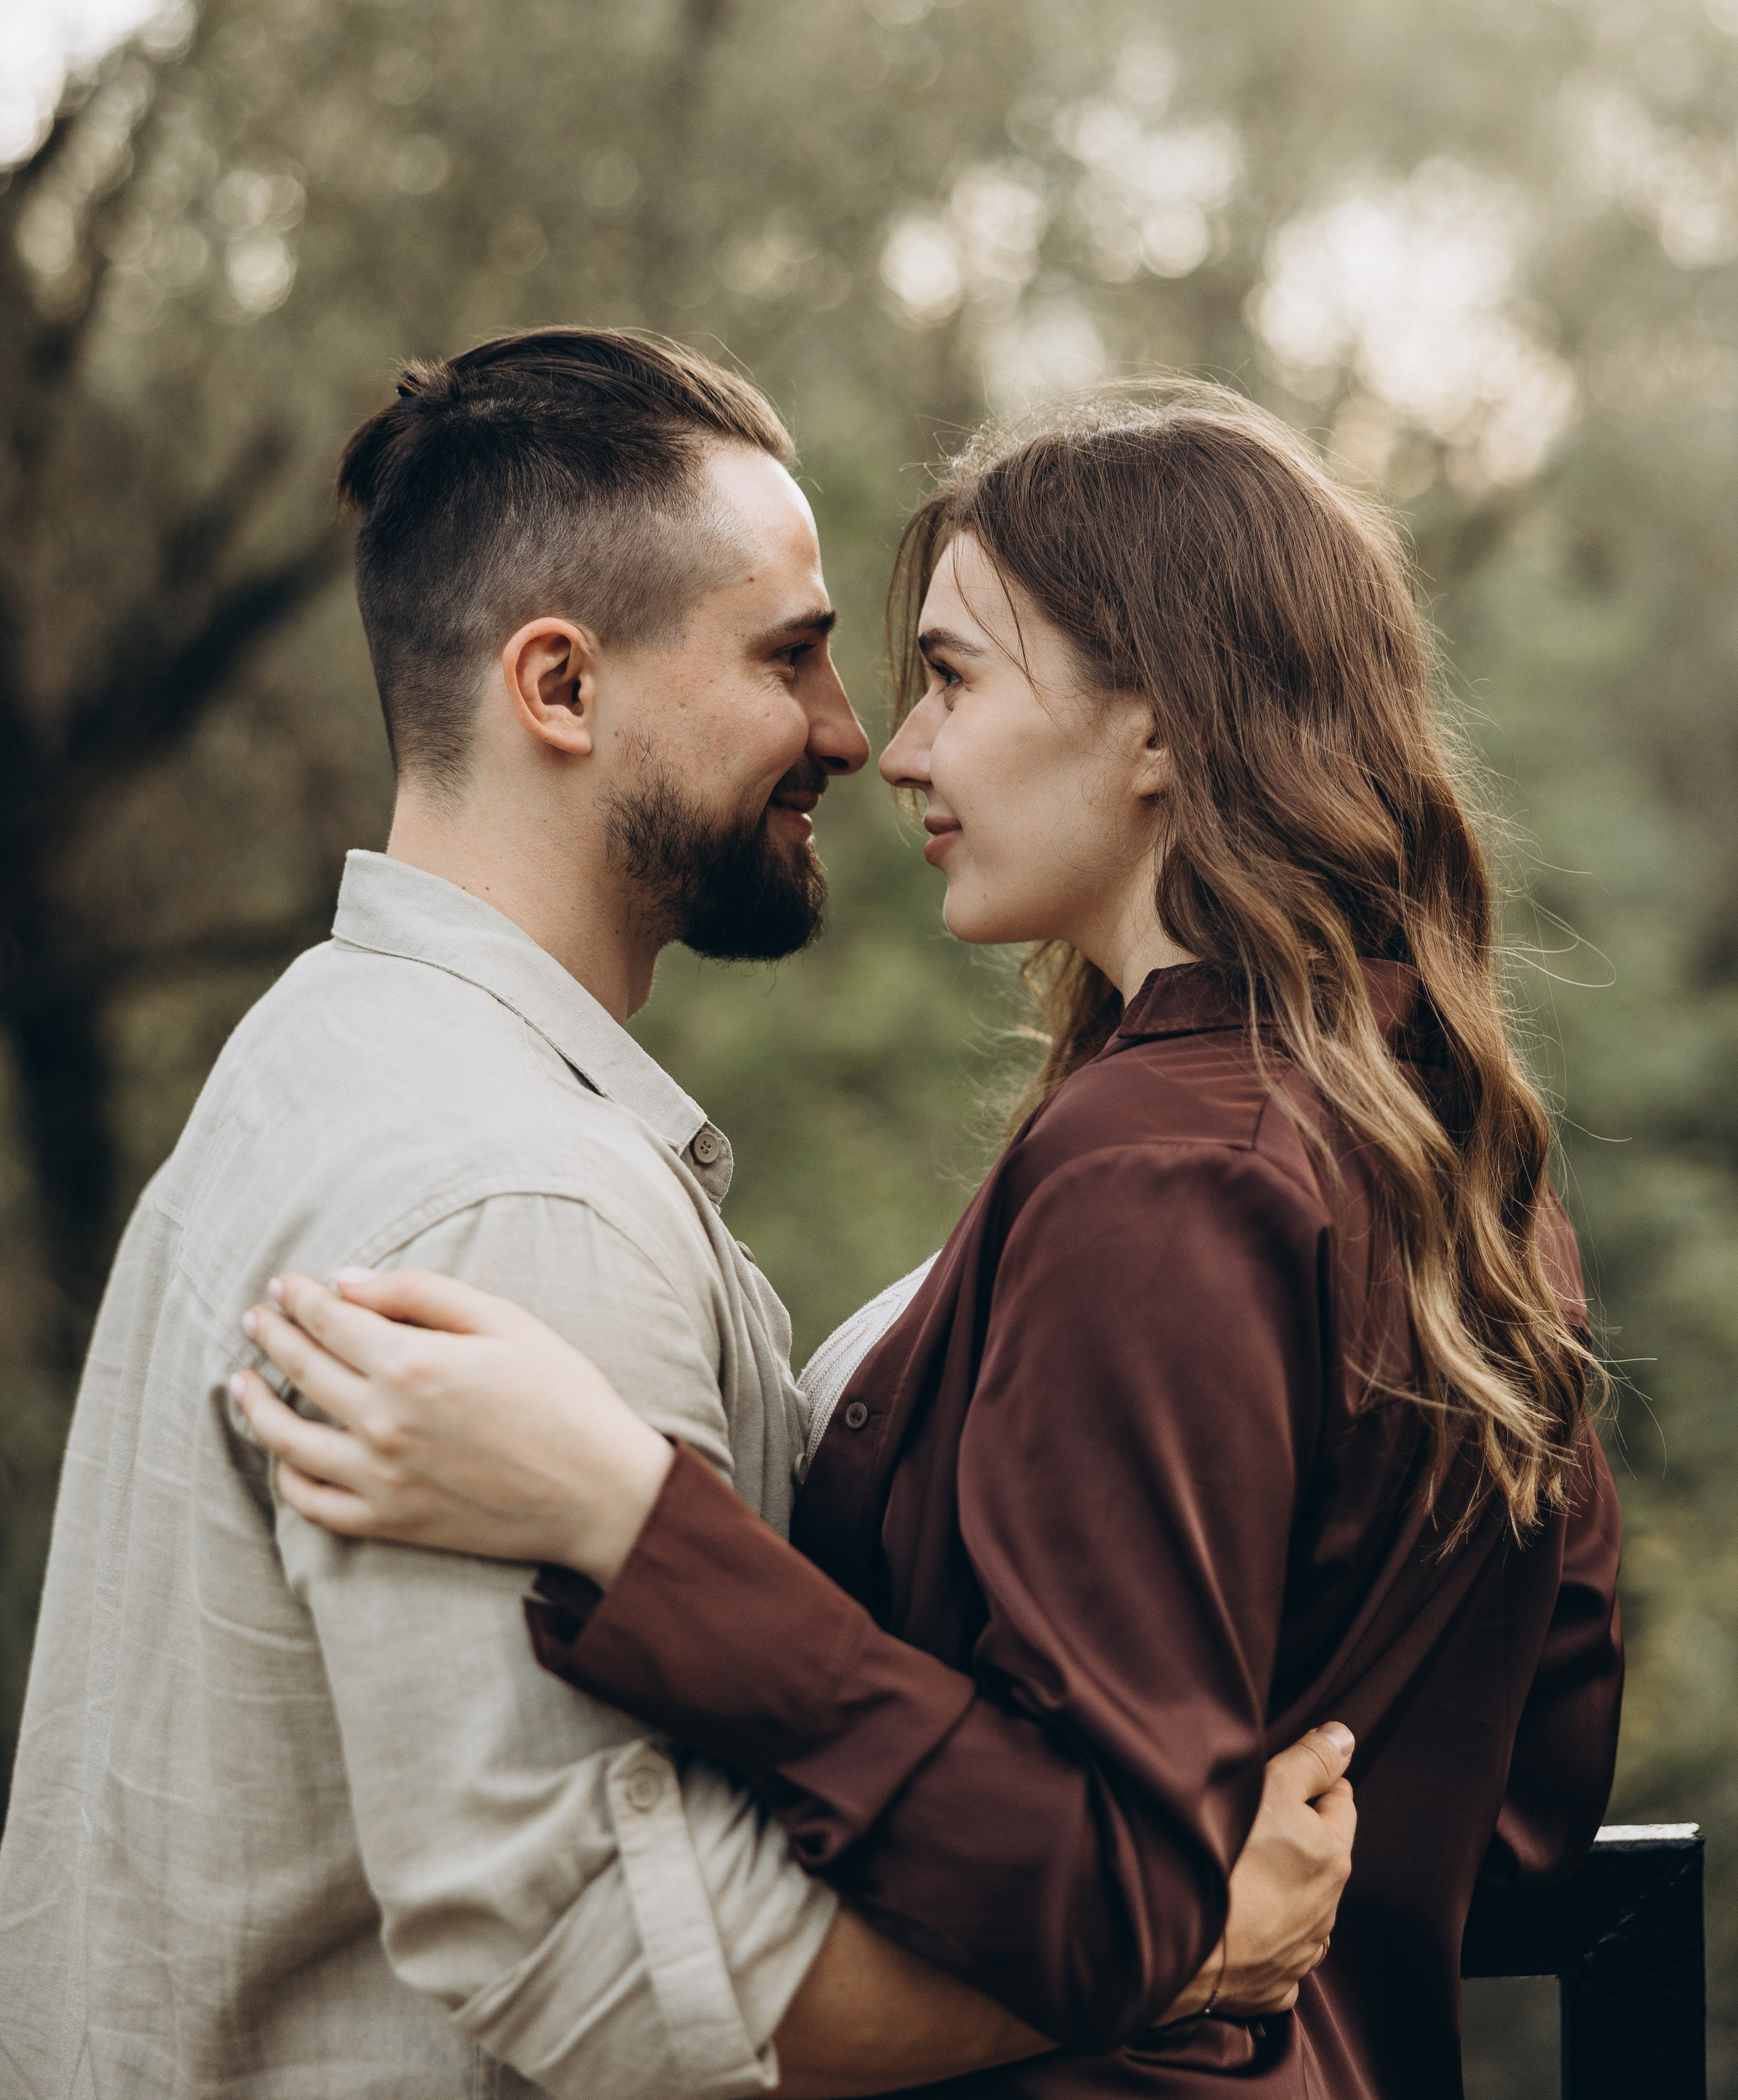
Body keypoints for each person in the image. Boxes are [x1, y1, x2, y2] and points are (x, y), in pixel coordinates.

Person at [234, 385, 1624, 2100]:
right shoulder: (1452, 1150)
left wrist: (625, 1516)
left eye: (954, 676)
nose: (891, 747)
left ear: (1161, 727)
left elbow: (1113, 1885)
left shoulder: (1156, 1176)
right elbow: (1529, 1814)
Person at [0, 334, 1350, 2100]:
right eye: (788, 658)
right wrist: (1171, 1949)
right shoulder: (517, 1197)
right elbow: (619, 1982)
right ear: (557, 686)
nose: (852, 737)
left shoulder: (320, 1056)